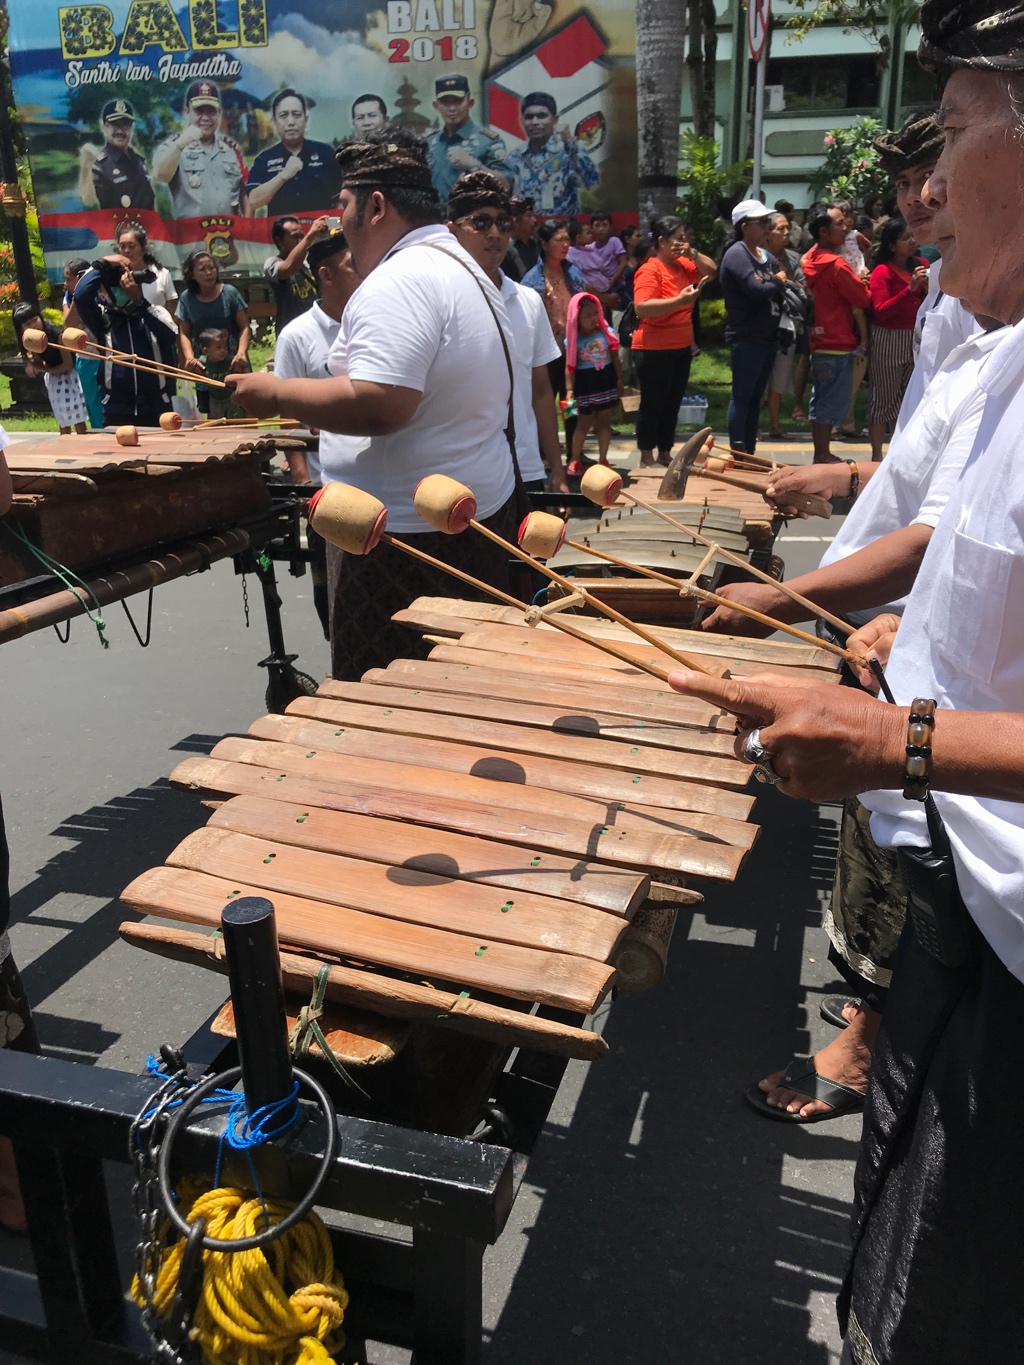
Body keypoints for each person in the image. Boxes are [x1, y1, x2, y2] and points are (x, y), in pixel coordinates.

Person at [676, 15, 1024, 1356]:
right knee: (903, 1293)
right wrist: (876, 632)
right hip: (966, 921)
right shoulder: (1009, 353)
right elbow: (960, 539)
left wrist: (904, 740)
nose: (921, 188)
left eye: (953, 129)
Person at [227, 127, 521, 682]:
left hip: (404, 544)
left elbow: (379, 405)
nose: (339, 221)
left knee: (387, 707)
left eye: (343, 206)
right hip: (462, 520)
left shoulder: (400, 281)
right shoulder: (467, 271)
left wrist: (272, 392)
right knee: (462, 698)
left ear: (377, 206)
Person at [447, 170, 568, 493]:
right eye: (481, 222)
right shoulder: (438, 301)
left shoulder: (527, 301)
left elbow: (541, 392)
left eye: (503, 223)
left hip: (523, 468)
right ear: (452, 231)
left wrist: (556, 472)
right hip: (457, 475)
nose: (495, 234)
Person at [274, 229, 366, 639]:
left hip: (378, 483)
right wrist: (303, 484)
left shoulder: (376, 322)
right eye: (352, 265)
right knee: (334, 597)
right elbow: (288, 417)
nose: (364, 271)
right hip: (326, 489)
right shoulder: (297, 336)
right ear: (326, 275)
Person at [631, 214, 714, 466]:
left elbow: (712, 270)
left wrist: (693, 252)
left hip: (680, 347)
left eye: (685, 238)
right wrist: (678, 301)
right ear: (661, 242)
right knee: (653, 404)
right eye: (678, 239)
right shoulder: (650, 269)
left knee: (672, 402)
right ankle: (646, 455)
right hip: (653, 348)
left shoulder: (683, 265)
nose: (683, 243)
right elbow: (642, 307)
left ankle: (665, 452)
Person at [73, 255, 178, 426]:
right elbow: (80, 295)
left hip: (156, 408)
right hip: (116, 409)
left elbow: (169, 336)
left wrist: (139, 301)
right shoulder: (102, 319)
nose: (121, 290)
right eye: (114, 287)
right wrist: (102, 264)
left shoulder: (155, 311)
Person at [802, 206, 871, 461]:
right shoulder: (836, 264)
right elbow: (862, 299)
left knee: (820, 401)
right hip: (839, 341)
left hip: (818, 341)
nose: (846, 228)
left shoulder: (808, 260)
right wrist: (863, 280)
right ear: (823, 231)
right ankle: (822, 454)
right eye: (840, 224)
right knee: (831, 403)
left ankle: (821, 452)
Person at [718, 199, 785, 454]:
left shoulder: (764, 254)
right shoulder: (737, 253)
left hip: (767, 335)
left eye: (768, 222)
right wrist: (776, 282)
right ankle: (738, 449)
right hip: (746, 335)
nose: (767, 227)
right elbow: (758, 289)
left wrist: (775, 281)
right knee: (743, 395)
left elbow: (777, 278)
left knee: (756, 397)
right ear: (745, 226)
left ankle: (749, 450)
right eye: (762, 223)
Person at [521, 219, 585, 461]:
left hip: (574, 349)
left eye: (567, 239)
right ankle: (544, 454)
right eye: (559, 240)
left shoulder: (573, 271)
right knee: (545, 400)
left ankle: (573, 451)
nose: (565, 244)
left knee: (571, 401)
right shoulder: (532, 279)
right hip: (547, 350)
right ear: (544, 244)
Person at [867, 216, 928, 459]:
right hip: (888, 338)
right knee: (884, 398)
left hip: (915, 336)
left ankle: (900, 451)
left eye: (913, 236)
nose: (912, 241)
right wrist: (909, 290)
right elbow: (880, 311)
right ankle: (876, 455)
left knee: (909, 397)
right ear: (892, 246)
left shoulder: (921, 264)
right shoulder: (882, 271)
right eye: (905, 238)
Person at [152, 80, 248, 219]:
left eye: (211, 111)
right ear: (186, 112)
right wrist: (180, 145)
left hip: (228, 236)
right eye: (199, 111)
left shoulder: (231, 148)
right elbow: (160, 175)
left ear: (219, 113)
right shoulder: (174, 145)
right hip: (191, 237)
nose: (205, 118)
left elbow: (244, 193)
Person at [246, 89, 342, 216]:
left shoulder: (326, 153)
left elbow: (340, 200)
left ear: (306, 120)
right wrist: (283, 175)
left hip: (321, 233)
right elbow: (253, 201)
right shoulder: (264, 159)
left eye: (296, 115)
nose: (291, 122)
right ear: (274, 122)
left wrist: (334, 230)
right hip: (280, 234)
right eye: (283, 115)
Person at [504, 92, 599, 216]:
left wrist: (570, 143)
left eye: (542, 116)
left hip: (563, 230)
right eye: (529, 117)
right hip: (528, 230)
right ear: (522, 121)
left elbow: (591, 183)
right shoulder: (515, 157)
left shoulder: (568, 150)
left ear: (555, 120)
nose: (535, 122)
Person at [425, 75, 510, 205]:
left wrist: (475, 166)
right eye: (446, 102)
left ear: (470, 103)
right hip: (435, 220)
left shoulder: (487, 141)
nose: (452, 108)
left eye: (458, 101)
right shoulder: (429, 143)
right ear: (436, 106)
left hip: (472, 220)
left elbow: (506, 185)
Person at [764, 212, 810, 439]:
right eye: (780, 228)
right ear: (767, 233)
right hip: (761, 323)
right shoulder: (757, 257)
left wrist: (784, 282)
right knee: (757, 376)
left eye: (787, 228)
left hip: (788, 322)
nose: (785, 233)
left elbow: (802, 287)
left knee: (781, 374)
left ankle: (775, 424)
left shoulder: (794, 258)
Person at [565, 292, 623, 472]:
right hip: (585, 384)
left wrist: (620, 379)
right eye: (587, 316)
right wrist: (569, 390)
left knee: (604, 423)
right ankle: (575, 459)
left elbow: (615, 358)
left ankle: (603, 459)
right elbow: (570, 367)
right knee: (583, 423)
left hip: (604, 381)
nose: (592, 319)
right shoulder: (573, 341)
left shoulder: (607, 334)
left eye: (595, 314)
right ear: (576, 318)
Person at [13, 303, 88, 434]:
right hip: (54, 378)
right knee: (62, 417)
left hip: (71, 376)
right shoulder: (31, 339)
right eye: (27, 324)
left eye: (34, 320)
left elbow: (68, 364)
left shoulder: (57, 334)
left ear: (40, 317)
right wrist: (31, 365)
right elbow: (38, 362)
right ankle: (65, 445)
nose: (33, 325)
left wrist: (46, 370)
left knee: (77, 416)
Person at [176, 251, 250, 376]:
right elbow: (184, 333)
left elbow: (245, 327)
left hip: (234, 364)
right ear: (192, 274)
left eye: (211, 268)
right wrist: (190, 358)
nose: (208, 273)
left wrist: (241, 353)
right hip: (205, 367)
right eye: (202, 269)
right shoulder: (186, 299)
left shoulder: (230, 293)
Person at [78, 98, 154, 212]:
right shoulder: (100, 164)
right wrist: (86, 167)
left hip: (147, 227)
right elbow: (89, 200)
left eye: (125, 125)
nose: (120, 131)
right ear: (104, 128)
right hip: (118, 228)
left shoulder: (139, 159)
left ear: (132, 129)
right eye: (114, 125)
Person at [264, 215, 327, 332]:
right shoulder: (272, 263)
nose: (299, 241)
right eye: (294, 237)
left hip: (317, 330)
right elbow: (287, 269)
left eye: (301, 236)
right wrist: (309, 236)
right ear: (279, 240)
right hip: (292, 333)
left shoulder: (310, 262)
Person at [61, 257, 104, 429]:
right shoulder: (69, 298)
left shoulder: (101, 292)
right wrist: (79, 295)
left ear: (80, 277)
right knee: (92, 402)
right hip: (85, 358)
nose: (65, 284)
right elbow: (69, 323)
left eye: (68, 279)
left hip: (104, 356)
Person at [569, 211, 627, 315]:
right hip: (599, 284)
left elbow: (623, 262)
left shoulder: (614, 241)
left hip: (616, 284)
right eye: (597, 225)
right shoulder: (590, 247)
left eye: (604, 225)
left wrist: (612, 282)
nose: (600, 229)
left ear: (610, 227)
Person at [115, 222, 177, 318]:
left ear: (143, 249)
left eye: (131, 246)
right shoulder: (113, 277)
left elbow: (173, 315)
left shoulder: (162, 274)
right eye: (122, 246)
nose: (126, 251)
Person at [501, 196, 538, 282]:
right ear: (516, 222)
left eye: (533, 215)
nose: (534, 220)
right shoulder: (506, 249)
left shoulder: (535, 244)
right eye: (529, 216)